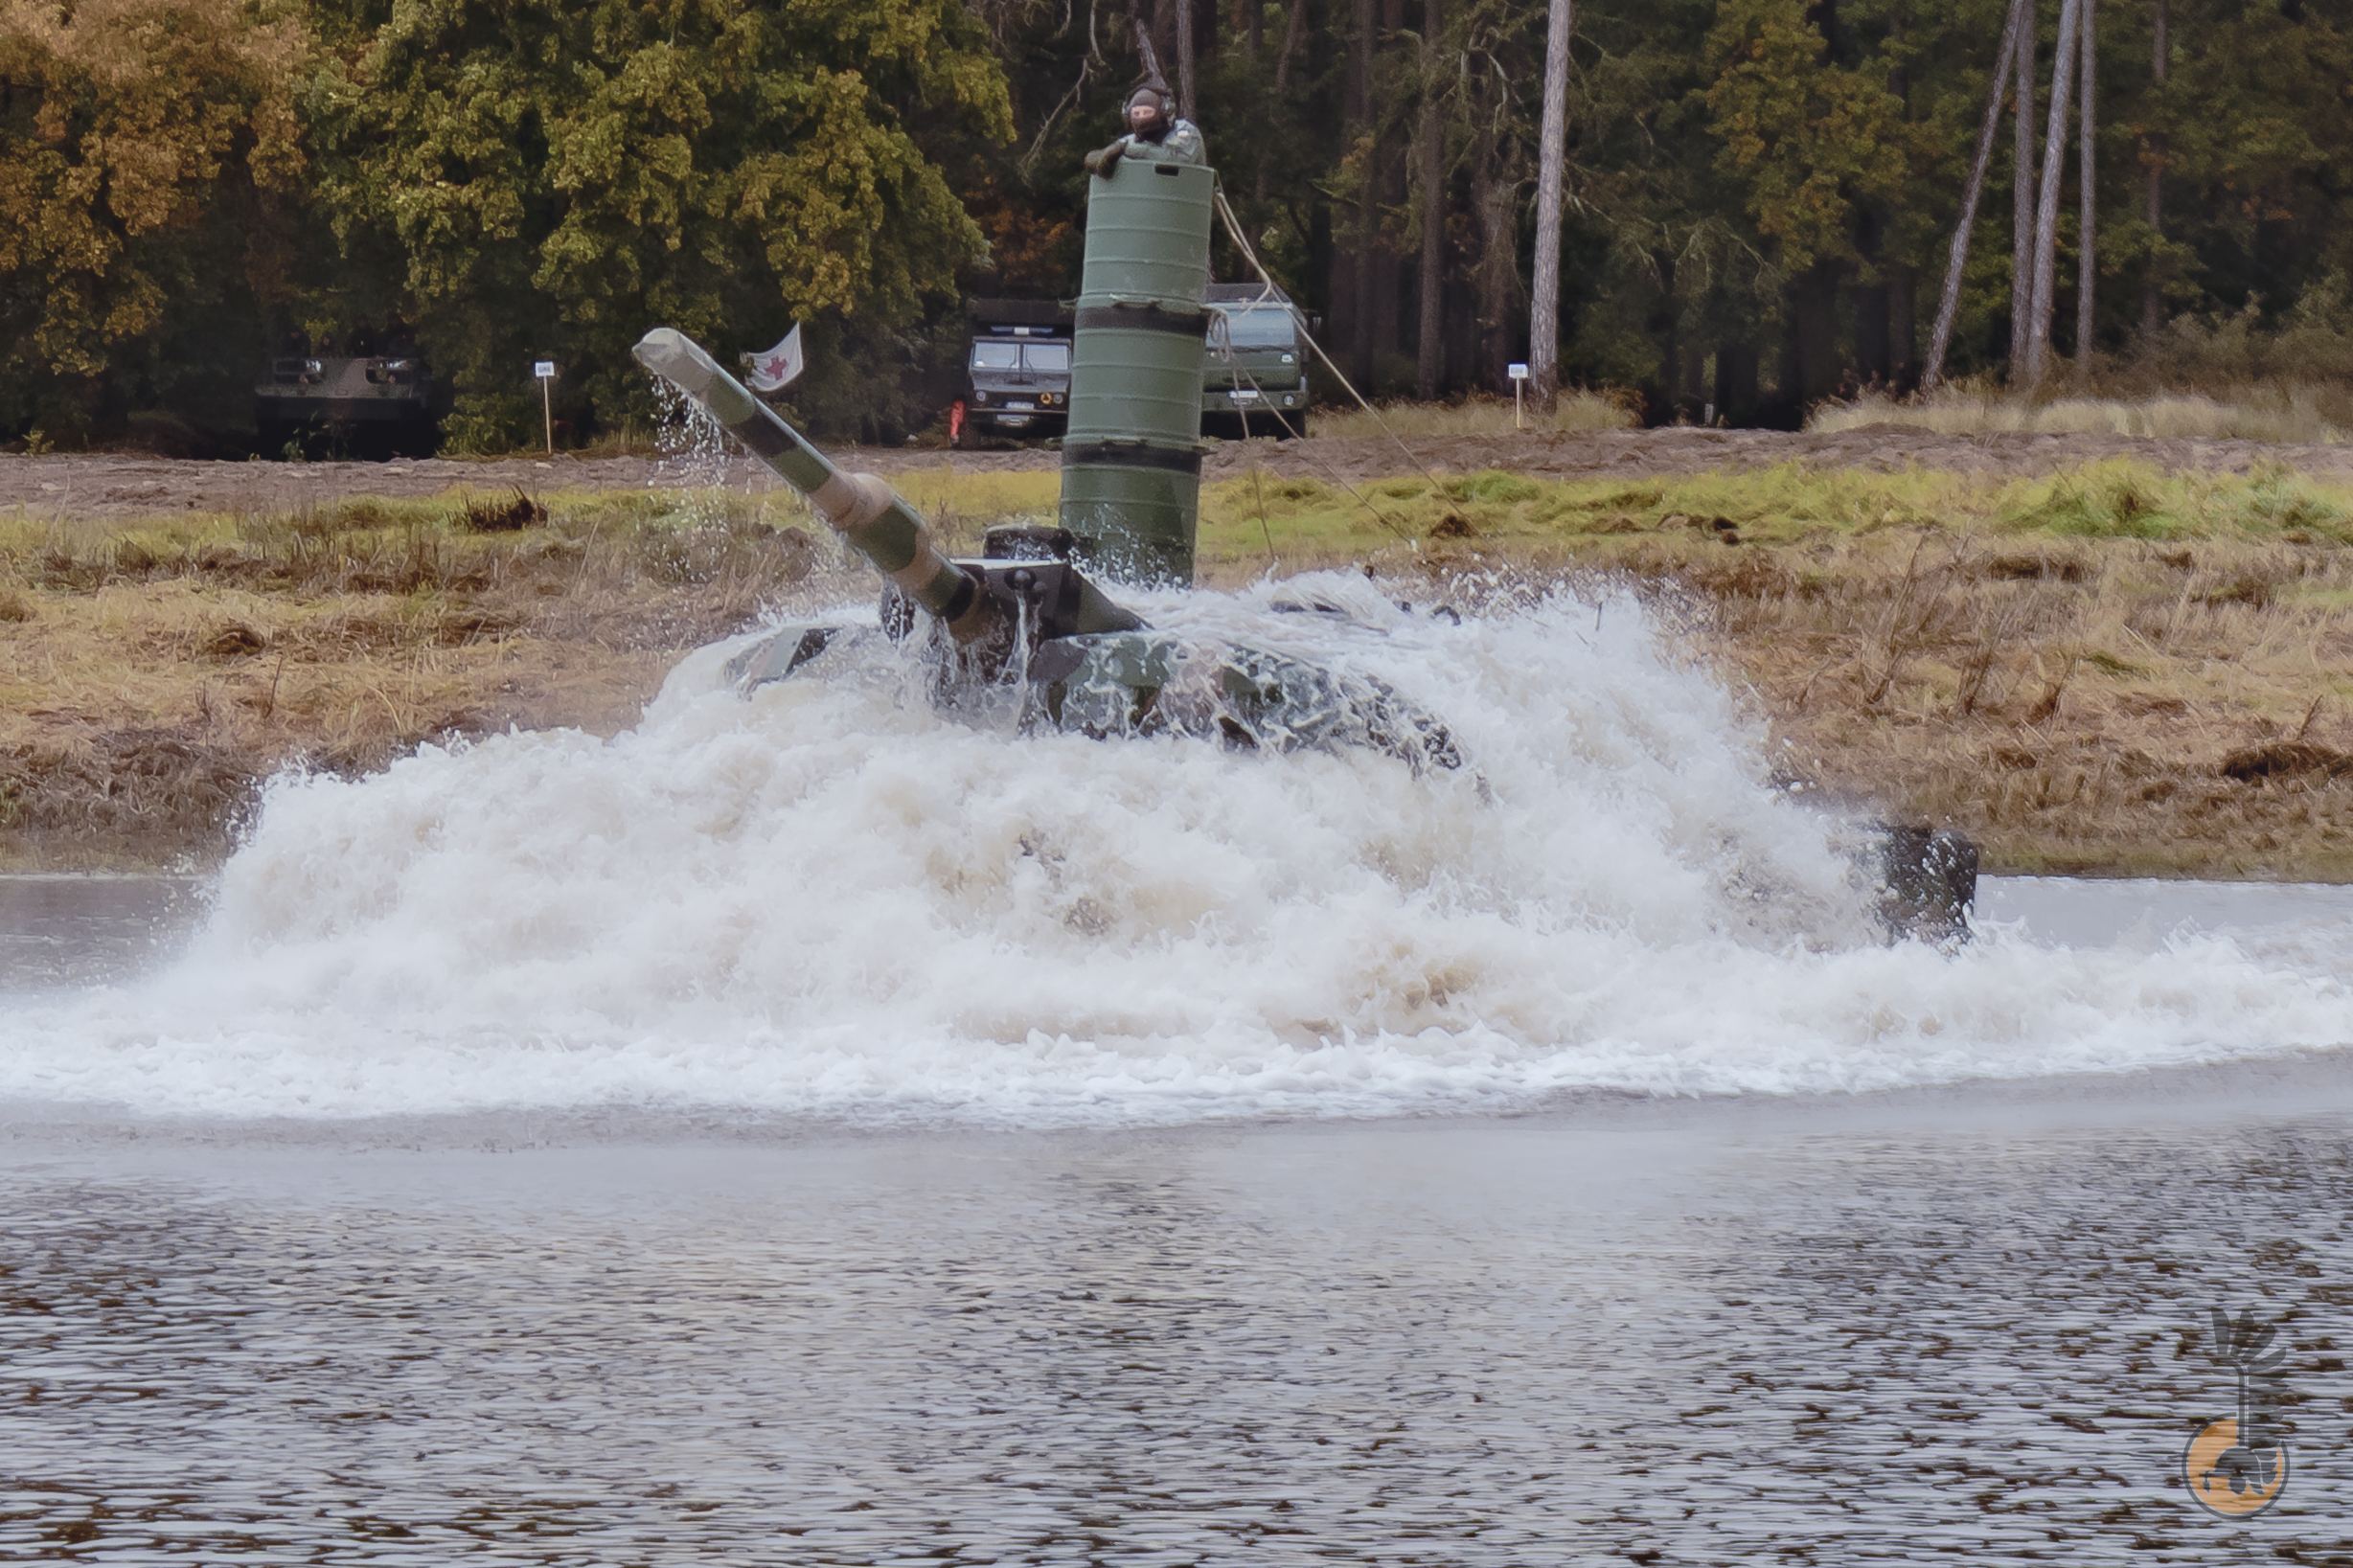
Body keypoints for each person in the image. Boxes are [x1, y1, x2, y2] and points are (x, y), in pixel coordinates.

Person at [1083, 83, 1204, 174]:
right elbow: (1095, 157)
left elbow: (1177, 160)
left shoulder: (1184, 130)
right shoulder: (1132, 140)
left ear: (1164, 111)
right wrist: (1102, 158)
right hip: (1146, 202)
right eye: (1136, 113)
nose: (1141, 118)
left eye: (1147, 112)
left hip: (1184, 200)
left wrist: (1126, 150)